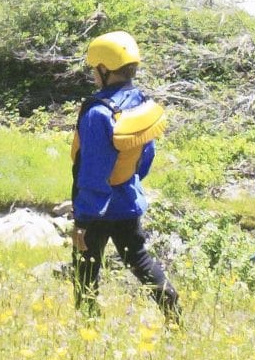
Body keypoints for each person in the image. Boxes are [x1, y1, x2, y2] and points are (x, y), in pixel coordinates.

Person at [71, 31, 180, 323]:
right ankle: (172, 309)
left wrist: (82, 220)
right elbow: (146, 156)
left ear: (105, 70)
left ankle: (88, 324)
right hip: (127, 201)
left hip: (97, 210)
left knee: (86, 266)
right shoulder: (140, 103)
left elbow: (92, 170)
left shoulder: (97, 113)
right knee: (139, 258)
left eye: (95, 69)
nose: (93, 74)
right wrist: (128, 183)